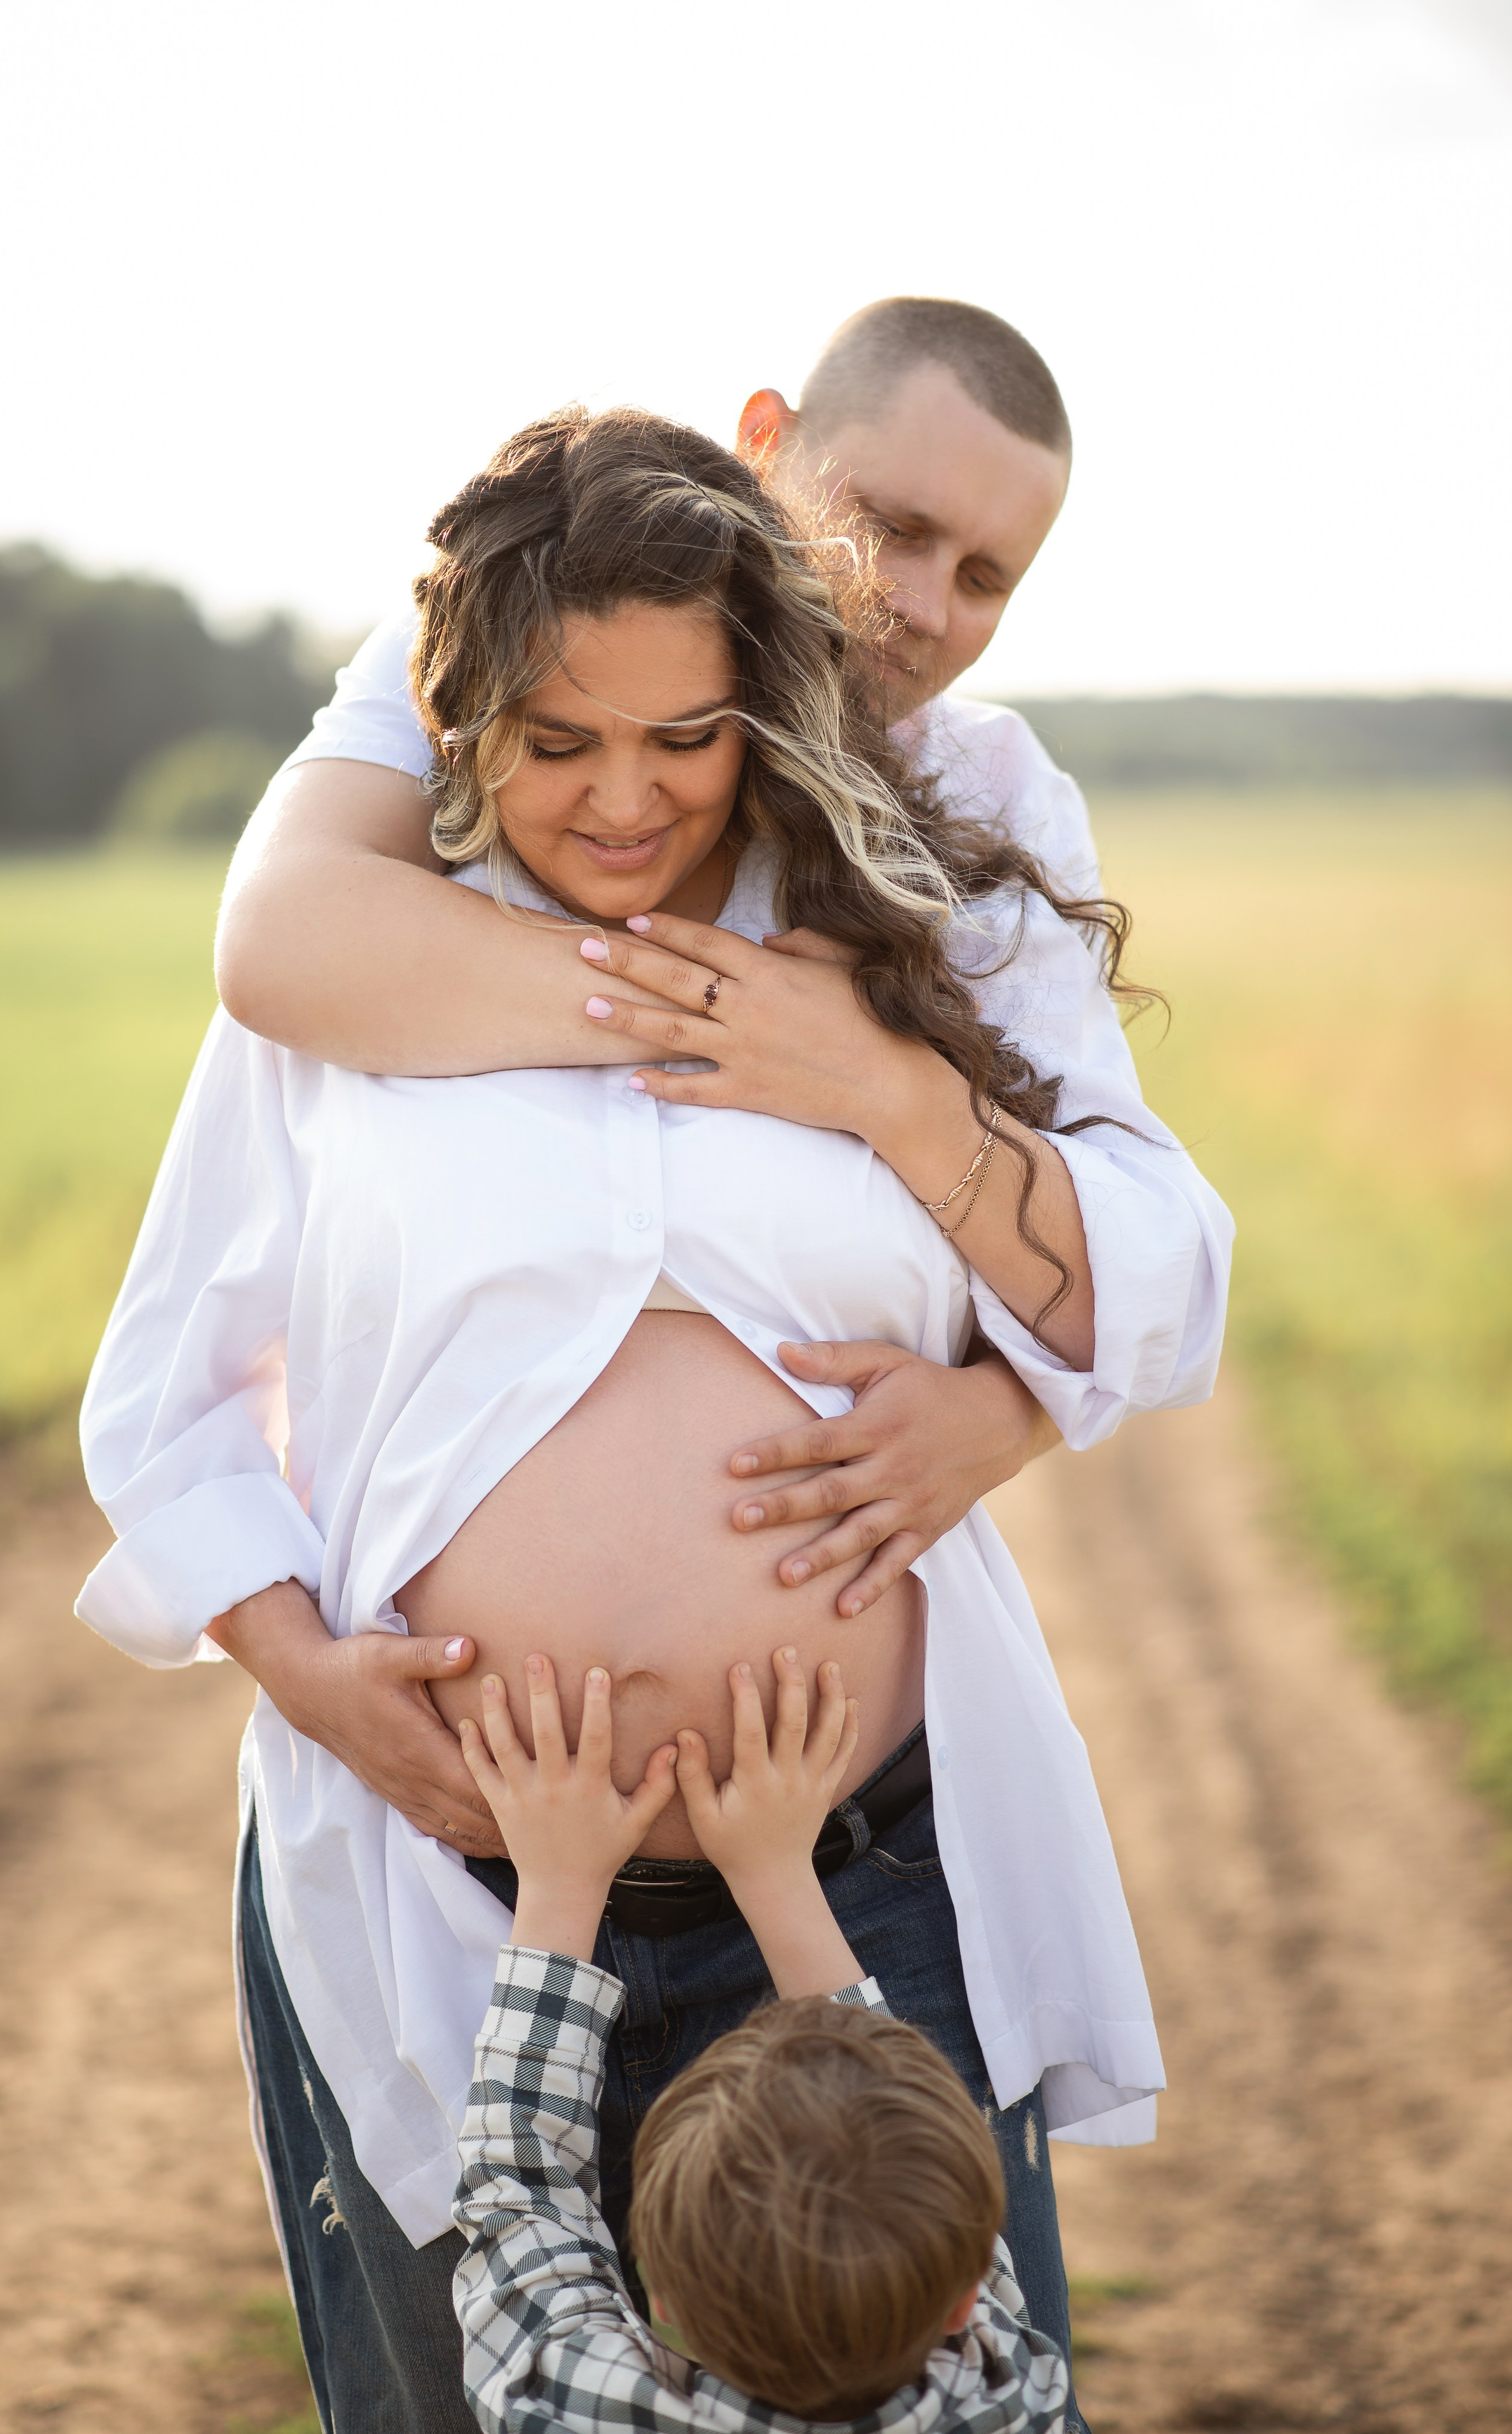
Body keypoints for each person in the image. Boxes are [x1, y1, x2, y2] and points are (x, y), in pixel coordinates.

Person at [76, 404, 1232, 2434]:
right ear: (463, 734)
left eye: (685, 740)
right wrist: (311, 1678)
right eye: (555, 742)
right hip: (457, 1884)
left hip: (864, 1888)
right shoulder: (362, 982)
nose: (624, 799)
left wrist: (913, 1161)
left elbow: (1150, 1278)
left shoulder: (905, 905)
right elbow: (166, 1388)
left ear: (755, 707)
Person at [211, 301, 1086, 1678]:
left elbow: (1141, 1254)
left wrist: (1014, 1405)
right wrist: (727, 1013)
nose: (916, 605)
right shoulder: (507, 643)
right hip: (434, 1860)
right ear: (763, 446)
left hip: (864, 1843)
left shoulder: (992, 800)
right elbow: (277, 942)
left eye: (983, 577)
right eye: (891, 525)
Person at [451, 1645, 1069, 2434]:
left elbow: (518, 2191)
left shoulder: (584, 2404)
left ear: (659, 2301)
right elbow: (518, 2190)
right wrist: (778, 1872)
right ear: (965, 2292)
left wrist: (559, 1884)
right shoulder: (1006, 2395)